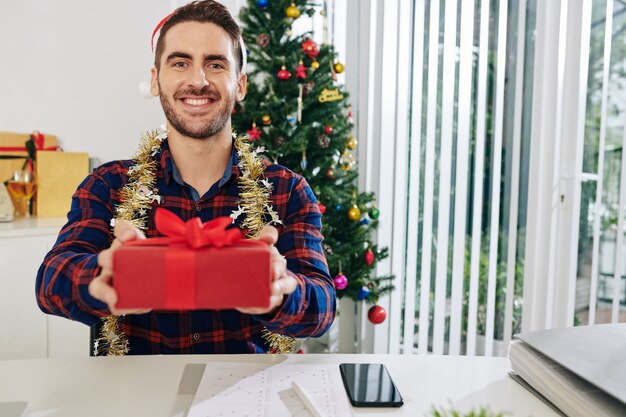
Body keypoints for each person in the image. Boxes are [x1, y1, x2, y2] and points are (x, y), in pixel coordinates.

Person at [35, 0, 336, 354]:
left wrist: (281, 292)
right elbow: (50, 283)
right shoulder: (107, 185)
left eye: (215, 63)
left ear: (239, 85)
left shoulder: (287, 190)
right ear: (155, 79)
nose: (198, 80)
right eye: (180, 63)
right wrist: (100, 276)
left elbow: (323, 307)